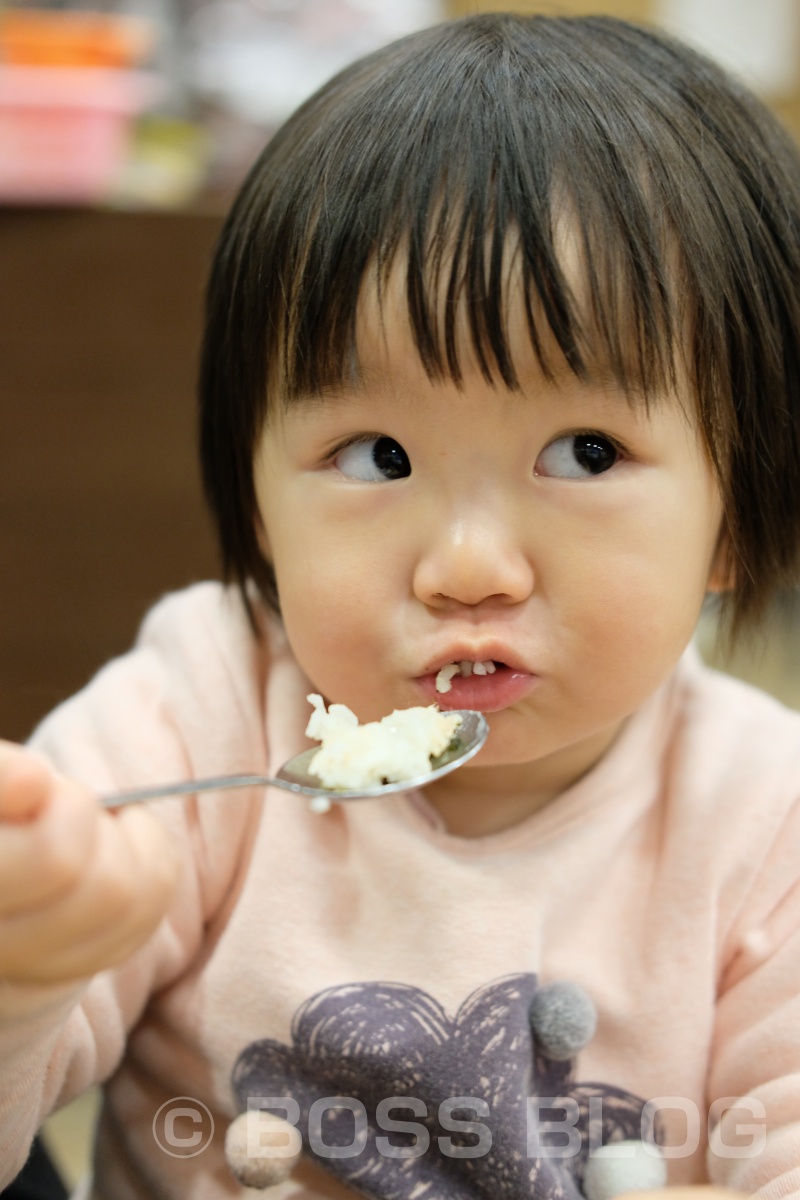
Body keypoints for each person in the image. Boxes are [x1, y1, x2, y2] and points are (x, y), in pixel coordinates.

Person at [1, 10, 800, 1198]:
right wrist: (24, 967)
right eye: (376, 456)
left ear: (735, 512)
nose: (467, 567)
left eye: (583, 452)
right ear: (258, 503)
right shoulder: (200, 715)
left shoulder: (762, 822)